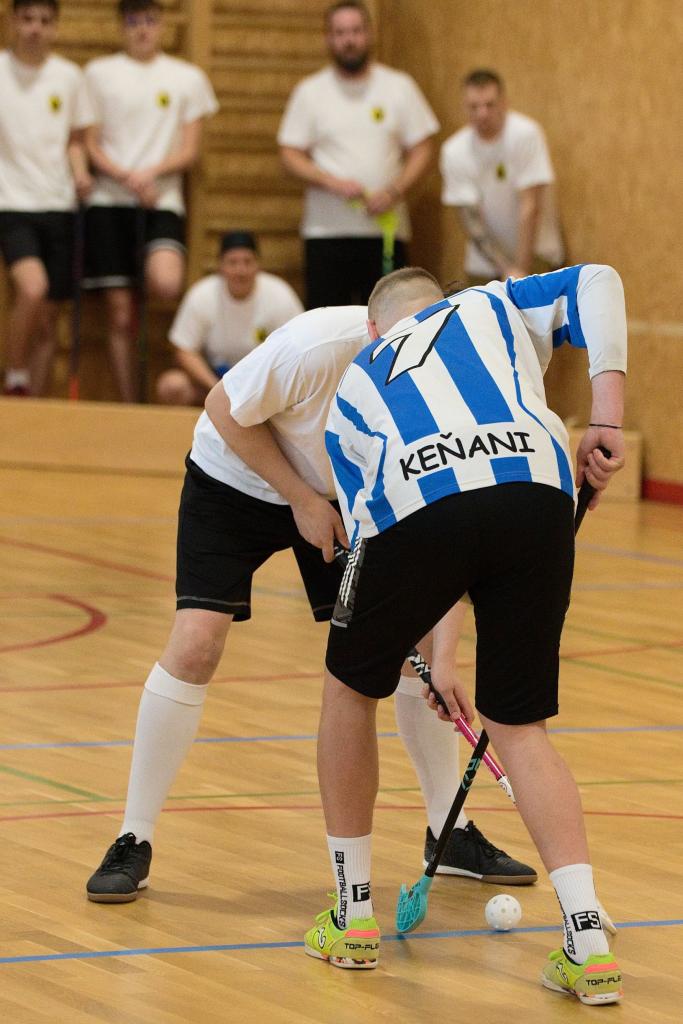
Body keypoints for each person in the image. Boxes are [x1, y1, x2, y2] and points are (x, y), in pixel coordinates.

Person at [85, 302, 536, 903]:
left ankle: (447, 833)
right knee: (196, 644)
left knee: (419, 648)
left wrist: (445, 659)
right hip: (234, 479)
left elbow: (444, 536)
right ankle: (132, 836)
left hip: (342, 500)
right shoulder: (316, 345)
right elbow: (222, 406)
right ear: (374, 329)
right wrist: (299, 498)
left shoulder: (441, 382)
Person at [308, 264, 626, 1007]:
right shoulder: (494, 305)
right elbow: (601, 280)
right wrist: (605, 421)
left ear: (372, 328)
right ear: (443, 302)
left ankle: (353, 919)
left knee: (349, 691)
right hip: (537, 494)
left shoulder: (355, 386)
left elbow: (383, 537)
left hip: (417, 506)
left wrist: (417, 649)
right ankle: (588, 943)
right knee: (521, 727)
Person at [83, 0, 218, 402]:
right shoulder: (98, 73)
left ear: (161, 25)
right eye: (133, 21)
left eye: (149, 21)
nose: (142, 29)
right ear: (121, 26)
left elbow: (190, 150)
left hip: (161, 200)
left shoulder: (187, 77)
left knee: (166, 281)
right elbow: (89, 142)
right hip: (110, 201)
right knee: (119, 311)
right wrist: (125, 176)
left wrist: (150, 174)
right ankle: (129, 402)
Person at [278, 0, 439, 308]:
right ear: (328, 38)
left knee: (390, 321)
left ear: (369, 33)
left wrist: (394, 191)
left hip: (386, 233)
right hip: (326, 232)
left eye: (355, 31)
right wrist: (332, 182)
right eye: (340, 33)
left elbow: (423, 148)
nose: (349, 40)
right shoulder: (310, 92)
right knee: (329, 322)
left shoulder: (399, 86)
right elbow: (289, 154)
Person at [0, 0, 93, 397]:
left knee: (48, 319)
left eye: (44, 20)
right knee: (32, 288)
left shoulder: (69, 76)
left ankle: (31, 408)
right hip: (12, 203)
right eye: (27, 19)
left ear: (55, 27)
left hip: (59, 204)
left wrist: (81, 172)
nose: (35, 28)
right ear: (13, 22)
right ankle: (15, 376)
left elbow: (75, 140)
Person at [440, 69, 564, 285]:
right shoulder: (454, 150)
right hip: (484, 265)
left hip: (535, 256)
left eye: (489, 105)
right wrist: (506, 268)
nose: (482, 113)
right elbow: (471, 220)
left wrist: (521, 269)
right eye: (474, 107)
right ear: (464, 107)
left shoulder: (525, 134)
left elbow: (530, 206)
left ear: (504, 103)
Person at [156, 231, 303, 406]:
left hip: (263, 383)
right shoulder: (202, 295)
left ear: (258, 265)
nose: (240, 270)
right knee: (172, 386)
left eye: (247, 262)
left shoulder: (279, 294)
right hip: (215, 380)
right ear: (221, 266)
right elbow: (184, 349)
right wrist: (217, 388)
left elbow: (298, 346)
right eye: (233, 262)